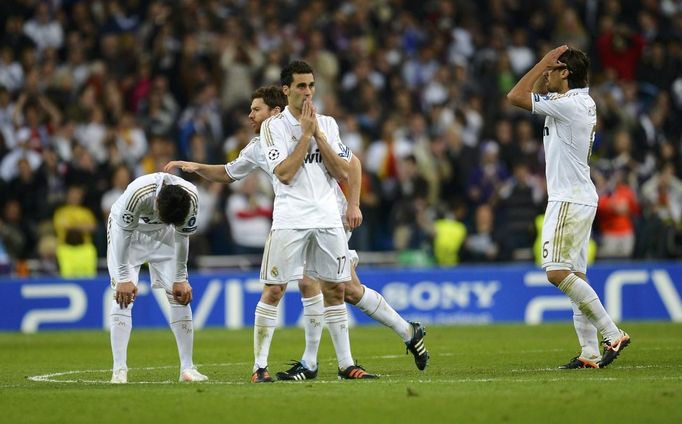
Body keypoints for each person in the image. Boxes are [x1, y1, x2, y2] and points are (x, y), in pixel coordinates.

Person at [166, 83, 428, 382]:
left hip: (330, 216)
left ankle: (313, 362)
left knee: (315, 284)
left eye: (256, 109)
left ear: (275, 111)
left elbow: (352, 164)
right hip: (300, 220)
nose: (250, 116)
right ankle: (407, 331)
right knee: (349, 290)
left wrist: (353, 205)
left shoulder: (314, 128)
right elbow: (228, 172)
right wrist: (193, 166)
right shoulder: (258, 146)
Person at [507, 45, 630, 369]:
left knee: (556, 272)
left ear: (565, 72)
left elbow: (515, 97)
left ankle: (611, 332)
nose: (545, 75)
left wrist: (539, 62)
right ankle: (589, 352)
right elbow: (529, 96)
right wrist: (545, 69)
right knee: (576, 276)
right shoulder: (578, 102)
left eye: (551, 70)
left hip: (568, 199)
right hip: (578, 195)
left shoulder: (569, 104)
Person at [107, 172, 208, 384]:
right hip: (129, 235)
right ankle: (119, 371)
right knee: (123, 296)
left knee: (178, 295)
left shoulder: (190, 197)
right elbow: (122, 234)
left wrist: (181, 277)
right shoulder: (138, 193)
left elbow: (182, 236)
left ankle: (187, 369)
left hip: (166, 235)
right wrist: (124, 277)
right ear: (157, 201)